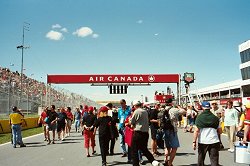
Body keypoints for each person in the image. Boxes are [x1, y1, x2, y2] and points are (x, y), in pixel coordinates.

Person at [130, 100, 160, 166]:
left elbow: (132, 122)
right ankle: (153, 161)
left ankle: (135, 164)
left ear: (135, 106)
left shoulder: (137, 111)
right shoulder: (145, 111)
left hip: (138, 132)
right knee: (144, 149)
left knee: (134, 150)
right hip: (145, 133)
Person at [193, 101, 222, 166]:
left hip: (203, 141)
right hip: (214, 141)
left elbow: (196, 131)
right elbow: (220, 131)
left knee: (201, 159)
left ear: (202, 108)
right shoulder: (216, 118)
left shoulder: (199, 118)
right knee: (214, 160)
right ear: (210, 107)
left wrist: (194, 142)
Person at [162, 101, 185, 166]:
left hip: (164, 129)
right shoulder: (173, 109)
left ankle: (165, 159)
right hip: (172, 130)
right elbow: (183, 111)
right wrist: (178, 106)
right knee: (174, 147)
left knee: (167, 146)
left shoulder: (162, 109)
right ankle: (169, 163)